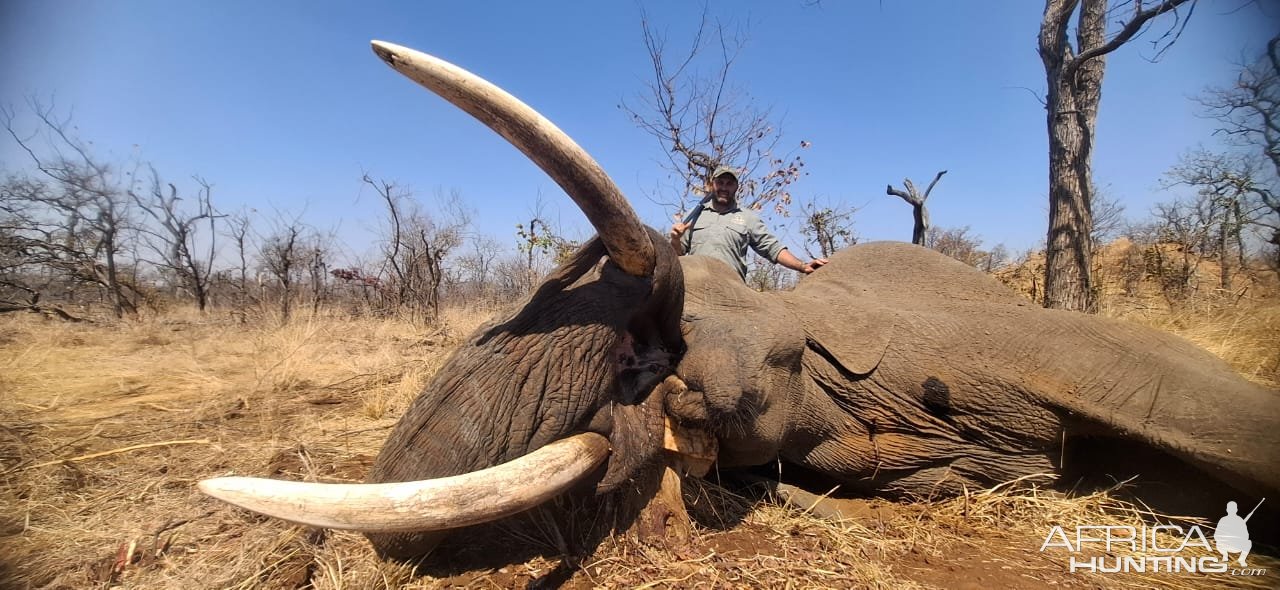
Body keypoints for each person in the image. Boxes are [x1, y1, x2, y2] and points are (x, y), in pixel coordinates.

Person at [668, 165, 827, 281]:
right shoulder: (694, 215)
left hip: (732, 291)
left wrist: (802, 266)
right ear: (712, 184)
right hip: (696, 287)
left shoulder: (748, 218)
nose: (724, 187)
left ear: (737, 186)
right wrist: (675, 239)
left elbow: (773, 248)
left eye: (729, 183)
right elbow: (677, 256)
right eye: (720, 182)